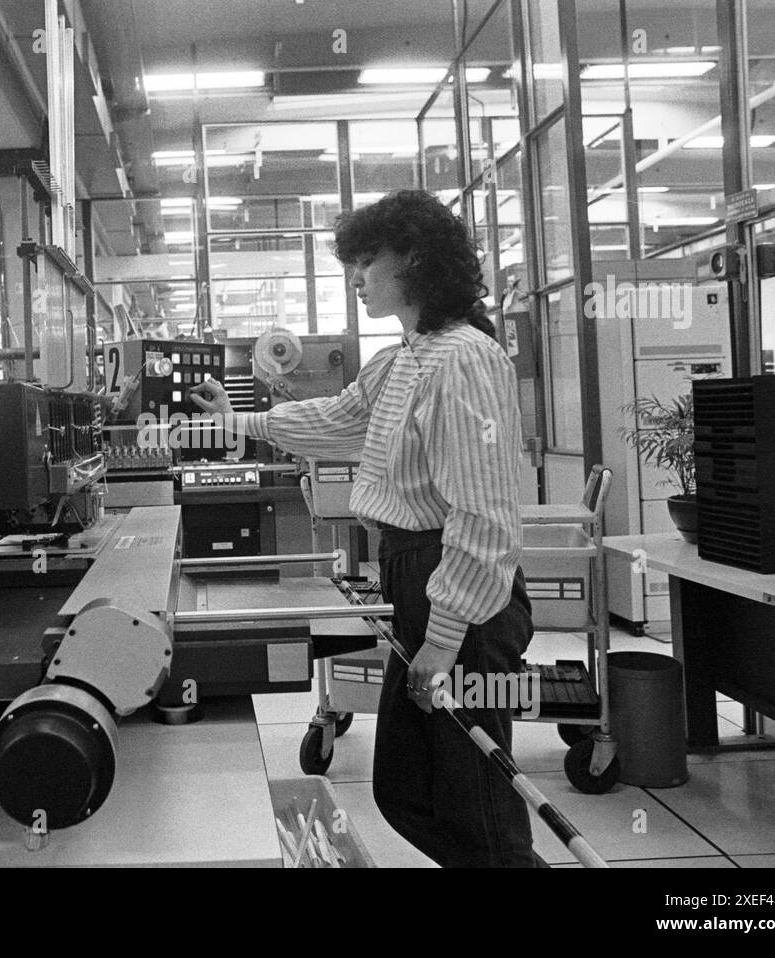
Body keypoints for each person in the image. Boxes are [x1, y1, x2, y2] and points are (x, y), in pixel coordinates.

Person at [190, 189, 541, 868]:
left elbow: (484, 516)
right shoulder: (402, 357)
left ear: (413, 258)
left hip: (460, 593)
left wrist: (443, 638)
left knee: (473, 806)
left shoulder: (464, 358)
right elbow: (336, 420)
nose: (355, 277)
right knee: (407, 790)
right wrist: (231, 420)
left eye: (365, 261)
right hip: (415, 574)